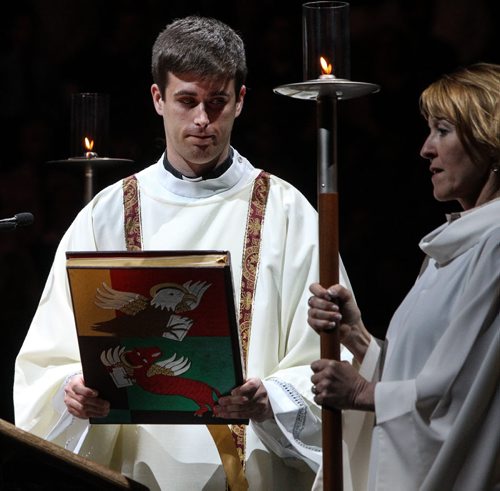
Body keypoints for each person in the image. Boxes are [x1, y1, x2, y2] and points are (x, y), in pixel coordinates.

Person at [13, 16, 367, 491]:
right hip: (131, 476)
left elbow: (336, 358)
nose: (202, 120)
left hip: (255, 470)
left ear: (240, 101)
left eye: (217, 102)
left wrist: (272, 400)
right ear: (158, 99)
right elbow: (47, 360)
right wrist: (73, 392)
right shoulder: (107, 214)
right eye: (187, 101)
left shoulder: (288, 214)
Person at [307, 62, 500, 490]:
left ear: (489, 141)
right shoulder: (450, 246)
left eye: (443, 130)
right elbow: (423, 370)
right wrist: (358, 339)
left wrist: (361, 393)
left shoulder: (495, 246)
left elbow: (464, 393)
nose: (426, 149)